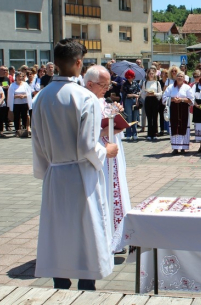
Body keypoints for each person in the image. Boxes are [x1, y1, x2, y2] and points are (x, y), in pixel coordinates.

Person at [32, 38, 118, 290]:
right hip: (81, 174)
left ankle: (60, 283)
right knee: (86, 229)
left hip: (55, 172)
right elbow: (87, 146)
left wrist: (45, 171)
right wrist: (107, 150)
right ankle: (86, 286)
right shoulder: (85, 98)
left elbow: (36, 142)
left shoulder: (41, 97)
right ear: (79, 63)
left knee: (58, 229)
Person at [84, 65, 131, 248]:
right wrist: (105, 129)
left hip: (113, 153)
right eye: (103, 84)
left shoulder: (102, 100)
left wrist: (117, 112)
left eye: (108, 84)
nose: (107, 88)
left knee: (116, 190)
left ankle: (116, 236)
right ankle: (104, 239)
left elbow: (110, 120)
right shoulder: (85, 102)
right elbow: (82, 134)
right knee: (103, 193)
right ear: (89, 84)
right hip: (99, 156)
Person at [162, 71, 194, 154]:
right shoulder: (170, 87)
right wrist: (172, 99)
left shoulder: (187, 87)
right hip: (173, 109)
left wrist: (181, 99)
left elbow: (191, 100)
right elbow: (164, 98)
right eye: (178, 76)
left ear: (184, 78)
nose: (180, 77)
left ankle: (183, 147)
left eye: (181, 76)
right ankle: (175, 148)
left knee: (184, 126)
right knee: (174, 126)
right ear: (176, 78)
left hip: (183, 109)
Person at [8, 71, 33, 135]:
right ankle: (17, 130)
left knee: (24, 116)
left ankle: (24, 129)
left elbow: (29, 94)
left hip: (24, 103)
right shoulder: (12, 85)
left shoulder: (25, 84)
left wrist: (24, 96)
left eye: (21, 76)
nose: (20, 78)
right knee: (17, 117)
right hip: (16, 104)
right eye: (19, 76)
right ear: (16, 77)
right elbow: (10, 95)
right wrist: (17, 96)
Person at [141, 68, 163, 141]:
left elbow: (160, 93)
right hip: (148, 100)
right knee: (149, 118)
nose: (151, 75)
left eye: (152, 73)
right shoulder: (145, 82)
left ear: (154, 74)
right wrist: (146, 94)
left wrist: (155, 94)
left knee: (155, 117)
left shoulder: (157, 83)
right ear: (148, 74)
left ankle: (155, 133)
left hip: (154, 99)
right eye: (150, 73)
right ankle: (149, 134)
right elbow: (142, 93)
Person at [121, 70, 141, 141]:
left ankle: (135, 134)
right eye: (131, 77)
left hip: (135, 100)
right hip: (128, 101)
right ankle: (128, 133)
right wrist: (134, 95)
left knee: (135, 117)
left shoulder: (135, 83)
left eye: (133, 77)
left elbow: (139, 92)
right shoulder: (125, 84)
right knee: (129, 117)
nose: (132, 78)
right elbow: (126, 95)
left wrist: (137, 100)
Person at [0, 66, 10, 132]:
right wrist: (3, 87)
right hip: (0, 97)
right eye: (3, 70)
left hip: (6, 97)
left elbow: (8, 86)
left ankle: (7, 125)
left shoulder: (6, 78)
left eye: (6, 70)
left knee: (6, 112)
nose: (5, 71)